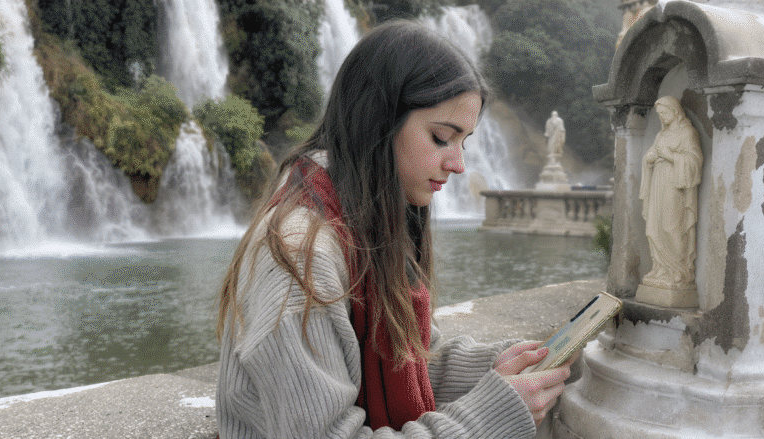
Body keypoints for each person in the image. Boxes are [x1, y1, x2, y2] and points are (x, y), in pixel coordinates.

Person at [215, 21, 573, 438]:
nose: (459, 164)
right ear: (377, 122)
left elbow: (409, 354)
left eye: (465, 142)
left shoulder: (363, 216)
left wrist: (494, 369)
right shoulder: (299, 261)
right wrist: (488, 419)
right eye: (442, 138)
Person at [638, 96, 702, 296]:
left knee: (671, 225)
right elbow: (650, 155)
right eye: (659, 115)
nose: (662, 118)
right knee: (654, 227)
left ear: (675, 111)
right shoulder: (660, 135)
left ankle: (679, 271)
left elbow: (695, 161)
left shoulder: (688, 133)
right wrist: (648, 160)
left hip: (675, 185)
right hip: (658, 182)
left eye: (664, 113)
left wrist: (670, 156)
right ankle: (660, 269)